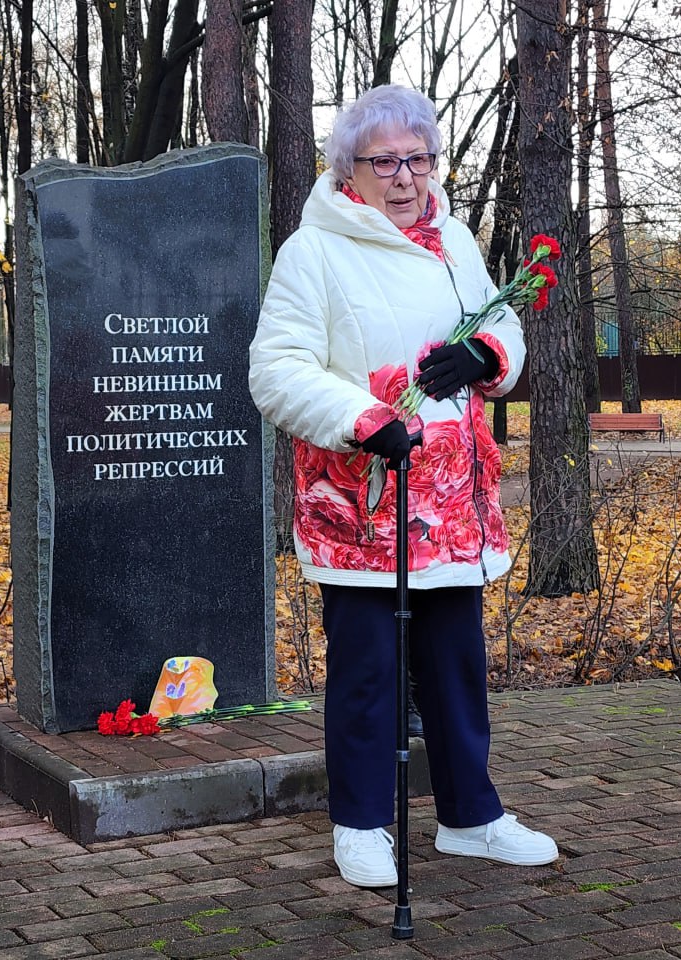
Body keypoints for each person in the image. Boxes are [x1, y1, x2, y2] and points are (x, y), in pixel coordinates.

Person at [248, 84, 558, 888]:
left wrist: (487, 356)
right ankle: (360, 823)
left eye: (417, 158)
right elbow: (276, 371)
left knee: (456, 663)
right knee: (367, 669)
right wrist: (360, 415)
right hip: (365, 499)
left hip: (455, 503)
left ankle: (470, 817)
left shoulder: (453, 238)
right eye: (383, 161)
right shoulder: (311, 251)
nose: (404, 176)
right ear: (347, 170)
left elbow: (506, 324)